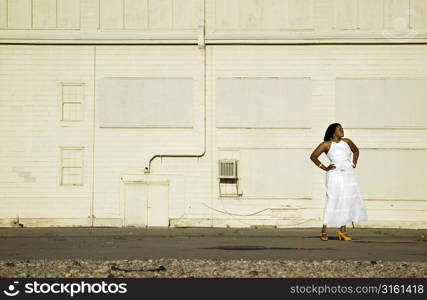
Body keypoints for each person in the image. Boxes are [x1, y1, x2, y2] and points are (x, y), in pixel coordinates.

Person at [310, 123, 368, 241]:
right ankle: (324, 230)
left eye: (342, 128)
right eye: (339, 129)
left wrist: (353, 164)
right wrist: (325, 167)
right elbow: (313, 156)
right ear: (333, 132)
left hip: (348, 174)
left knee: (345, 200)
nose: (342, 130)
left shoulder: (347, 142)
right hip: (334, 175)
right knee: (332, 199)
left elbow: (356, 151)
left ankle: (343, 231)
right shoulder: (327, 144)